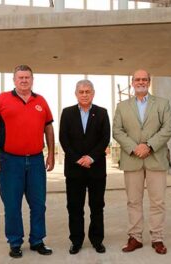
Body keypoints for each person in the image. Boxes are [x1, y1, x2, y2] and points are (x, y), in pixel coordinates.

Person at [0, 64, 55, 259]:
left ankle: (37, 240)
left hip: (35, 161)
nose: (24, 80)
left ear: (32, 80)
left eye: (27, 77)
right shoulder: (2, 99)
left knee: (39, 204)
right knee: (12, 205)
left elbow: (48, 129)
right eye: (20, 77)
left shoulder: (41, 101)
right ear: (14, 80)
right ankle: (15, 242)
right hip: (9, 161)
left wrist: (51, 154)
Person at [113, 69, 171, 255]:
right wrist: (134, 147)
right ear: (132, 82)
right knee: (133, 201)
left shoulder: (162, 104)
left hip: (156, 158)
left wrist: (148, 145)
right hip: (132, 159)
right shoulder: (122, 106)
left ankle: (157, 238)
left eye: (144, 79)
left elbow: (168, 128)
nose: (141, 82)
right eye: (137, 79)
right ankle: (135, 238)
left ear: (149, 82)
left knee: (158, 201)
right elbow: (117, 130)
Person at [59, 80, 110, 255]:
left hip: (96, 169)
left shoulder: (102, 113)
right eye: (81, 91)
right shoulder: (67, 113)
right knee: (74, 207)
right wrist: (78, 159)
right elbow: (64, 139)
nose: (85, 94)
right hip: (74, 169)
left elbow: (105, 138)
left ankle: (97, 240)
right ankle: (76, 241)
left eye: (88, 91)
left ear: (93, 93)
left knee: (97, 206)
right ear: (76, 94)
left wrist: (91, 157)